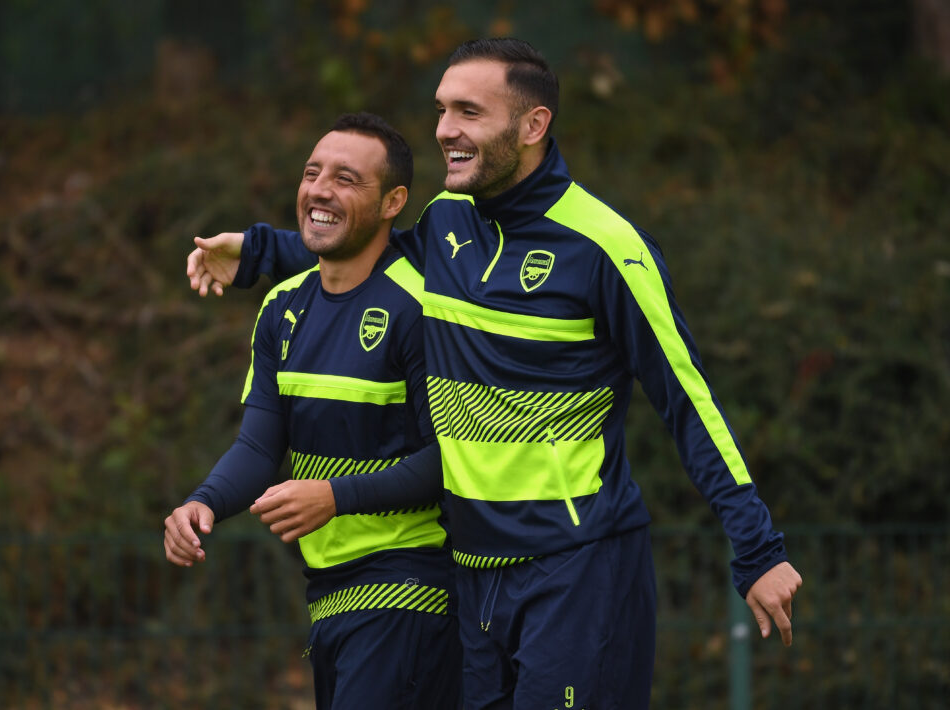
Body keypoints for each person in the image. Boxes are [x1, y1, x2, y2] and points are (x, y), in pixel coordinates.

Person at [187, 39, 802, 709]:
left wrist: (758, 550)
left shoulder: (604, 248)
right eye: (442, 109)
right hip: (474, 572)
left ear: (532, 126)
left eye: (469, 111)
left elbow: (688, 404)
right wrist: (255, 253)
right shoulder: (448, 223)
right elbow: (362, 252)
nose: (445, 129)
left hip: (577, 565)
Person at [164, 112, 461, 710]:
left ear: (392, 202)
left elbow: (451, 462)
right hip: (330, 594)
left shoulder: (422, 307)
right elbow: (258, 447)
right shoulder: (281, 307)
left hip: (412, 589)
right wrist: (202, 502)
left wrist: (334, 496)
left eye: (347, 178)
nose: (320, 190)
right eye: (311, 173)